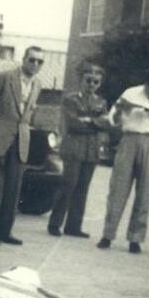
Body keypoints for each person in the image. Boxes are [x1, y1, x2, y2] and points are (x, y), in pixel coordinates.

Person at [98, 67, 149, 254]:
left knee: (145, 192)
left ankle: (135, 238)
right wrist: (121, 110)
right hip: (130, 139)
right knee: (118, 189)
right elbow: (113, 120)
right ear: (145, 84)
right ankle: (108, 234)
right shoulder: (131, 93)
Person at [0, 44, 43, 245]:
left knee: (13, 188)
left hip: (21, 139)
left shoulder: (38, 84)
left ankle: (4, 231)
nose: (35, 64)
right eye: (32, 60)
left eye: (40, 61)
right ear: (23, 60)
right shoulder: (5, 77)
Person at [47, 63, 109, 238]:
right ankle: (55, 223)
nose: (92, 85)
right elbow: (74, 124)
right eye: (88, 80)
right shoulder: (71, 99)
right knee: (68, 185)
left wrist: (89, 121)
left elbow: (106, 123)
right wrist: (95, 123)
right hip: (74, 147)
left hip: (91, 150)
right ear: (81, 80)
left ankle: (74, 226)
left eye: (96, 82)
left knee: (83, 188)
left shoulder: (101, 101)